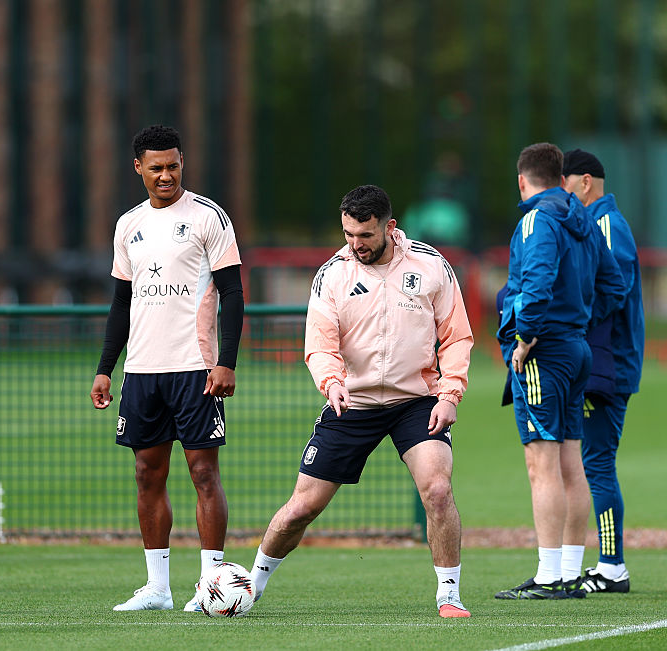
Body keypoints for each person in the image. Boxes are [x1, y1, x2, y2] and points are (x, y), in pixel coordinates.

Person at [248, 184, 474, 619]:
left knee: (439, 490)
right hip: (352, 403)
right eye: (349, 234)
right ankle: (248, 587)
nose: (355, 245)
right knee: (302, 508)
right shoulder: (333, 273)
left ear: (389, 227)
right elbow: (319, 346)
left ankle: (449, 595)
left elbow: (457, 337)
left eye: (365, 235)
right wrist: (331, 383)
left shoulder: (431, 267)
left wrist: (450, 395)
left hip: (418, 401)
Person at [90, 125, 244, 612]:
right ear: (138, 168)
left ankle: (209, 585)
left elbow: (235, 294)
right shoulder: (127, 225)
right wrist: (105, 369)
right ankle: (157, 588)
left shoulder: (208, 217)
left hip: (195, 369)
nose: (165, 175)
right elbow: (120, 303)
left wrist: (226, 361)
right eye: (155, 167)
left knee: (203, 473)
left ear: (183, 163)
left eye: (173, 165)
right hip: (142, 371)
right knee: (145, 473)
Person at [495, 143, 626, 600]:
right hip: (577, 350)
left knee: (542, 464)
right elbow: (614, 284)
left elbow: (537, 278)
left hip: (544, 351)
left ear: (522, 180)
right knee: (572, 464)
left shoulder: (537, 219)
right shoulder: (583, 218)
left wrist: (526, 334)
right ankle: (570, 571)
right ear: (561, 175)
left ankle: (550, 576)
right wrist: (581, 322)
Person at [562, 149, 644, 594]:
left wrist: (571, 326)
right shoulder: (597, 223)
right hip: (600, 363)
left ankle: (612, 567)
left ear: (585, 182)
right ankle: (603, 563)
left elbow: (612, 292)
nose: (563, 193)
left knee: (596, 463)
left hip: (607, 366)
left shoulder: (606, 225)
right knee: (589, 462)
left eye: (566, 183)